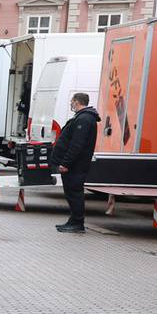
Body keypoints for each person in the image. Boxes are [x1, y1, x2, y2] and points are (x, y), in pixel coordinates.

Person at [49, 91, 100, 233]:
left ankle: (77, 223)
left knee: (74, 193)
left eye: (72, 101)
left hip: (75, 166)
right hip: (75, 165)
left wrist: (66, 163)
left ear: (76, 102)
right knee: (71, 193)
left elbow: (77, 145)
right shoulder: (82, 117)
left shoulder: (84, 119)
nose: (71, 103)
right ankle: (73, 220)